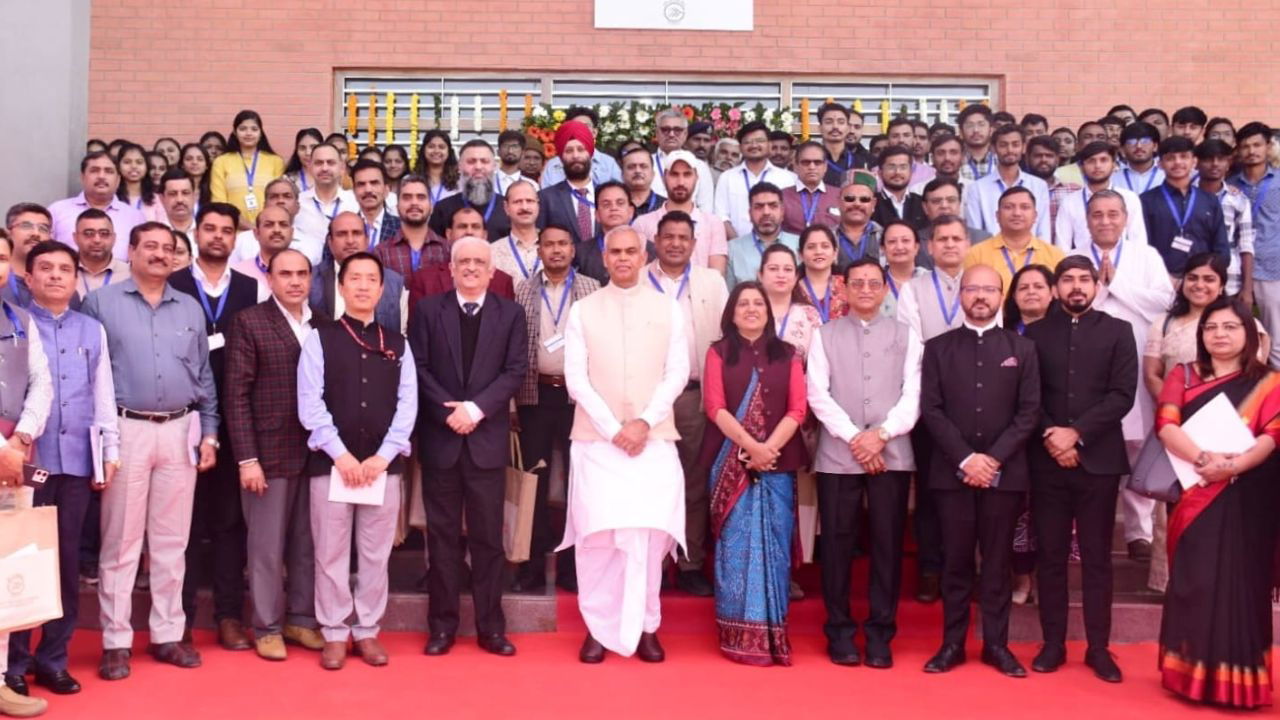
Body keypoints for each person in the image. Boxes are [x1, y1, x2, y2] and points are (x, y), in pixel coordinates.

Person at [82, 223, 219, 680]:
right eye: (151, 247)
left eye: (169, 248)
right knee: (120, 542)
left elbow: (204, 378)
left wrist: (210, 434)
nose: (160, 254)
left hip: (181, 430)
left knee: (171, 542)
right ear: (132, 251)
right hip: (125, 429)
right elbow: (88, 377)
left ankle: (167, 634)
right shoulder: (101, 304)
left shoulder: (191, 309)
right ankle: (116, 640)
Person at [560, 226, 689, 663]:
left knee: (648, 539)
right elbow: (576, 378)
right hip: (597, 442)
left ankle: (646, 625)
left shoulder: (669, 309)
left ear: (643, 255)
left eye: (631, 251)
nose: (622, 258)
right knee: (597, 537)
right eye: (614, 251)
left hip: (653, 440)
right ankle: (598, 627)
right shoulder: (582, 310)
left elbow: (677, 373)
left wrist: (642, 423)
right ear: (603, 255)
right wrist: (615, 427)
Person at [1155, 297, 1280, 709]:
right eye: (1212, 328)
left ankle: (1241, 681)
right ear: (1201, 334)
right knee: (1198, 581)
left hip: (1249, 496)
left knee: (1244, 583)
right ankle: (1192, 678)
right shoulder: (1183, 375)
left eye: (1230, 327)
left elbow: (1272, 434)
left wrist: (1236, 465)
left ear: (1249, 334)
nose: (1220, 335)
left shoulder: (1269, 382)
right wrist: (1205, 460)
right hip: (1196, 492)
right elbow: (1166, 424)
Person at [297, 251, 417, 670]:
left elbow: (408, 406)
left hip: (382, 470)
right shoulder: (320, 338)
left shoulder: (398, 344)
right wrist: (343, 456)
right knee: (330, 553)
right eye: (355, 279)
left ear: (382, 290)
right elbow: (310, 405)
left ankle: (367, 630)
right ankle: (333, 630)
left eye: (372, 279)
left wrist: (382, 458)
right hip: (332, 466)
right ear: (341, 287)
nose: (364, 286)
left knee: (375, 554)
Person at [919, 264, 1040, 678]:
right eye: (973, 289)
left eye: (989, 289)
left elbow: (1029, 413)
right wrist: (967, 459)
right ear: (961, 295)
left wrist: (993, 460)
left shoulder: (1021, 349)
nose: (981, 296)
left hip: (1004, 475)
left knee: (996, 562)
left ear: (1001, 294)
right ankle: (952, 643)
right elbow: (931, 410)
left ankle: (997, 645)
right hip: (951, 474)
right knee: (954, 562)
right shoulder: (937, 348)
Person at [1022, 256, 1137, 683]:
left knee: (1096, 559)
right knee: (1049, 556)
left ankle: (1098, 647)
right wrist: (1054, 435)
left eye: (1083, 280)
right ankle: (1052, 644)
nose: (1075, 287)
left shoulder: (1118, 332)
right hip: (1047, 461)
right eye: (1067, 280)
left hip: (1099, 463)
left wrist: (1078, 434)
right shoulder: (1033, 335)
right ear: (1055, 288)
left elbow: (1122, 394)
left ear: (1096, 285)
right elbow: (1028, 396)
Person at [410, 237, 526, 658]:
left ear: (491, 270)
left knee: (488, 541)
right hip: (442, 440)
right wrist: (449, 414)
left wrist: (475, 410)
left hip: (486, 442)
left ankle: (491, 629)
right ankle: (441, 627)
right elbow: (417, 366)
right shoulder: (427, 311)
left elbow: (515, 370)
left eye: (480, 261)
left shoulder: (511, 314)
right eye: (464, 261)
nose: (472, 268)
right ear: (452, 269)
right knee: (441, 540)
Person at [807, 258, 922, 668]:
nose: (867, 289)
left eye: (875, 283)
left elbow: (914, 396)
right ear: (844, 288)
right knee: (836, 545)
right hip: (839, 455)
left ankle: (880, 633)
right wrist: (857, 438)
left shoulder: (907, 336)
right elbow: (818, 394)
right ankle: (838, 631)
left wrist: (882, 436)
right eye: (858, 283)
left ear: (886, 288)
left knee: (887, 544)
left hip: (891, 453)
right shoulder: (825, 335)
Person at [166, 203, 266, 650]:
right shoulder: (173, 284)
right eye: (210, 229)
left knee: (229, 522)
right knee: (182, 525)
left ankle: (228, 616)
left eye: (227, 230)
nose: (218, 237)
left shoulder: (252, 287)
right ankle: (179, 617)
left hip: (234, 420)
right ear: (196, 233)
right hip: (181, 419)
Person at [223, 248, 324, 661]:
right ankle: (266, 624)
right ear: (270, 278)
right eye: (286, 274)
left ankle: (300, 618)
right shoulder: (250, 322)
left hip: (316, 452)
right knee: (265, 545)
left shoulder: (324, 324)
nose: (295, 281)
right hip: (267, 453)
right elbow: (236, 395)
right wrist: (247, 458)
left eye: (302, 274)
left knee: (308, 542)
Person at [699, 281, 807, 665]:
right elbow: (714, 406)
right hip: (729, 460)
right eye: (742, 303)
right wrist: (751, 447)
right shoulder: (718, 352)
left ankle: (773, 635)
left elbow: (798, 409)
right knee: (734, 547)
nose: (750, 309)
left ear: (768, 310)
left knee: (772, 549)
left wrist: (768, 449)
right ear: (731, 311)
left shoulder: (789, 354)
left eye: (757, 303)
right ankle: (735, 635)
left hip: (777, 464)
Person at [510, 224, 601, 593]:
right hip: (535, 397)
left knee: (580, 482)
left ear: (573, 250)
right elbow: (513, 349)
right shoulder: (523, 291)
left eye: (563, 243)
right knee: (534, 483)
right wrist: (513, 403)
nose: (556, 250)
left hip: (579, 400)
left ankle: (573, 569)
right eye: (548, 244)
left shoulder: (592, 289)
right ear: (540, 251)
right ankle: (530, 567)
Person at [647, 211, 729, 597]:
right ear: (656, 240)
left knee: (694, 485)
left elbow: (727, 340)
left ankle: (691, 561)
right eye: (669, 236)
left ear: (695, 245)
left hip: (696, 398)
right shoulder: (638, 280)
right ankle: (655, 563)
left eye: (684, 237)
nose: (676, 243)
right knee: (652, 484)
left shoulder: (711, 281)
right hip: (648, 403)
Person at [893, 214, 973, 603]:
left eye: (957, 238)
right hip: (930, 402)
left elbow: (990, 337)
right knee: (929, 489)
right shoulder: (913, 289)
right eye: (942, 239)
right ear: (929, 246)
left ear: (968, 244)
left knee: (972, 489)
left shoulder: (983, 284)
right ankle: (930, 567)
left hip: (977, 402)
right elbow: (912, 343)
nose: (949, 245)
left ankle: (965, 567)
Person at [0, 239, 55, 711]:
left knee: (6, 565)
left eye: (0, 258)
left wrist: (21, 439)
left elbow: (42, 381)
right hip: (5, 456)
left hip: (13, 462)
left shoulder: (21, 319)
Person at [1141, 136, 1229, 276]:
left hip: (1201, 282)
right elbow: (1142, 246)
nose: (1177, 162)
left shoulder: (1209, 201)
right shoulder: (1146, 201)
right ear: (1160, 164)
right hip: (1161, 281)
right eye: (1170, 158)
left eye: (1184, 157)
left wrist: (1211, 275)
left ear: (1194, 161)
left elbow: (1221, 246)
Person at [1229, 122, 1280, 366]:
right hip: (1237, 270)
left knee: (1276, 336)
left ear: (1268, 146)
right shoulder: (1230, 185)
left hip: (1273, 268)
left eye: (1257, 145)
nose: (1251, 151)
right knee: (1240, 335)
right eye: (1245, 146)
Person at [631, 150, 729, 274]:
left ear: (696, 177)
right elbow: (638, 274)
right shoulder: (642, 224)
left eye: (687, 174)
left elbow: (717, 275)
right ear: (663, 177)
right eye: (674, 174)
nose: (681, 182)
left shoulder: (713, 223)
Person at [310, 212, 407, 334]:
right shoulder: (311, 279)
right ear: (330, 242)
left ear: (367, 240)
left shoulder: (394, 282)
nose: (350, 241)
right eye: (342, 234)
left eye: (356, 233)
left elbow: (402, 335)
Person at [964, 187, 1065, 297]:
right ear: (997, 216)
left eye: (1024, 207)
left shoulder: (1055, 255)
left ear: (1035, 216)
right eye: (1009, 207)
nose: (1017, 213)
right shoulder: (976, 254)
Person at [406, 207, 516, 305]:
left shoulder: (503, 281)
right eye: (462, 226)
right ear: (449, 234)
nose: (469, 231)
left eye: (475, 227)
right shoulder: (424, 280)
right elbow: (417, 327)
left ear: (485, 235)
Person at [1052, 142, 1147, 251]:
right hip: (1082, 265)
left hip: (1123, 265)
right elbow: (1062, 245)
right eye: (1091, 161)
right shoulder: (1070, 201)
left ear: (1114, 165)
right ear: (1081, 167)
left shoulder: (1129, 198)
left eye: (1103, 160)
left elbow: (1138, 241)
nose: (1097, 166)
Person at [49, 152, 145, 259]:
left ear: (118, 180)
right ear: (82, 177)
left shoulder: (135, 217)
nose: (101, 176)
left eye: (109, 171)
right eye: (94, 170)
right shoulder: (57, 211)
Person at [964, 125, 1051, 239]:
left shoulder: (1038, 185)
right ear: (993, 148)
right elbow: (975, 233)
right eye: (1003, 145)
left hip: (1031, 253)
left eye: (1015, 145)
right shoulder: (977, 188)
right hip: (989, 254)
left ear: (1024, 147)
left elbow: (1043, 231)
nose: (1010, 150)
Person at [715, 121, 797, 239]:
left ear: (769, 145)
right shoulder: (727, 178)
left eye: (759, 141)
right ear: (741, 147)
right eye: (747, 142)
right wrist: (739, 245)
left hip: (778, 250)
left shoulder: (788, 178)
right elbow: (721, 216)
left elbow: (791, 217)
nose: (754, 145)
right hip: (737, 250)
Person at [1196, 139, 1254, 301]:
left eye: (1221, 159)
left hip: (1230, 280)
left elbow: (1246, 244)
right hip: (1192, 280)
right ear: (1196, 163)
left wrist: (1247, 289)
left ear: (1228, 163)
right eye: (1208, 159)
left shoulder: (1239, 200)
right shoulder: (1186, 196)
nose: (1215, 164)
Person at [538, 123, 609, 248]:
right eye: (569, 151)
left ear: (590, 154)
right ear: (561, 157)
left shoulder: (607, 194)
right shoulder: (546, 198)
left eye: (581, 149)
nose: (575, 156)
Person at [209, 110, 285, 227]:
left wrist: (264, 224)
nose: (248, 133)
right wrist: (243, 224)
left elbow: (279, 198)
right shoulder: (221, 162)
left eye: (254, 129)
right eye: (243, 129)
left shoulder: (275, 161)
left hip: (268, 229)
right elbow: (219, 202)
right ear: (235, 132)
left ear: (260, 133)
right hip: (233, 230)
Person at [429, 140, 510, 241]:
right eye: (471, 162)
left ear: (495, 166)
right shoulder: (443, 209)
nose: (478, 167)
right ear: (459, 167)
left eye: (484, 161)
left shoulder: (508, 208)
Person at [725, 183, 799, 289]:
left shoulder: (799, 245)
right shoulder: (733, 249)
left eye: (773, 206)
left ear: (782, 212)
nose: (766, 212)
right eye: (759, 207)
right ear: (750, 214)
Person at [374, 175, 444, 279]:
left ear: (431, 206)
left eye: (421, 197)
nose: (414, 203)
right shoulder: (381, 253)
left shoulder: (447, 250)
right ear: (397, 207)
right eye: (407, 198)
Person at [760, 244, 822, 354]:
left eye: (788, 269)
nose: (781, 275)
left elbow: (818, 361)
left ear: (796, 277)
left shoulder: (809, 314)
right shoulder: (748, 311)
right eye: (773, 269)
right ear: (760, 275)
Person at [651, 108, 716, 211]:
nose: (671, 134)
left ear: (685, 134)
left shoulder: (699, 166)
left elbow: (705, 207)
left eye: (677, 130)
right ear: (657, 133)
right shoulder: (645, 163)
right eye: (665, 129)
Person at [538, 108, 622, 186]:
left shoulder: (609, 163)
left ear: (594, 132)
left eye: (585, 126)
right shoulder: (553, 165)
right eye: (576, 126)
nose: (581, 130)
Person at [295, 143, 359, 245]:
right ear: (310, 167)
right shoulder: (297, 203)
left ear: (342, 167)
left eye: (330, 163)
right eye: (319, 163)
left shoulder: (355, 202)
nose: (324, 168)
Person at [917, 178, 990, 255]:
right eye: (936, 201)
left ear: (959, 204)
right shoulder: (915, 240)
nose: (944, 206)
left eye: (951, 200)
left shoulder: (983, 239)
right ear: (925, 207)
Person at [70, 209, 130, 302]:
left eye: (104, 234)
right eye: (89, 233)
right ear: (75, 238)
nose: (97, 240)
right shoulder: (63, 271)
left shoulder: (130, 274)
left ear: (113, 238)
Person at [782, 141, 840, 234]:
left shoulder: (839, 195)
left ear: (825, 167)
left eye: (817, 162)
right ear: (795, 166)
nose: (812, 167)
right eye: (806, 162)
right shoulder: (782, 197)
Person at [831, 170, 884, 270]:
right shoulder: (827, 237)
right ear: (839, 202)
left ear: (873, 204)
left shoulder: (885, 237)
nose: (857, 204)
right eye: (850, 198)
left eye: (864, 199)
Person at [490, 180, 541, 282]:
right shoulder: (492, 252)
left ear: (538, 205)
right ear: (506, 207)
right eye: (517, 202)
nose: (524, 207)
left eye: (530, 201)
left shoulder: (553, 247)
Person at [232, 205, 294, 287]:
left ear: (292, 233)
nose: (277, 230)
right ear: (256, 233)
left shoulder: (304, 270)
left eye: (283, 225)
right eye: (269, 225)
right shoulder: (238, 273)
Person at [797, 225, 849, 324]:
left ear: (835, 253)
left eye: (825, 246)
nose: (818, 252)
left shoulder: (848, 285)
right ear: (800, 255)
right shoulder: (792, 290)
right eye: (811, 247)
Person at [872, 145, 927, 229]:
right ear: (880, 173)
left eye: (903, 167)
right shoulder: (871, 203)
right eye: (891, 167)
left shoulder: (922, 203)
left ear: (911, 173)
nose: (897, 172)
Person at [880, 221, 928, 317]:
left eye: (905, 240)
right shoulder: (875, 284)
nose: (899, 247)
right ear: (883, 249)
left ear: (916, 247)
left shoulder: (931, 280)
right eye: (892, 242)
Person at [817, 103, 871, 188]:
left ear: (847, 128)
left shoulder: (861, 163)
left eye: (841, 122)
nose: (835, 126)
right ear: (820, 128)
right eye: (829, 122)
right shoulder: (812, 161)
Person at [351, 160, 400, 250]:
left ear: (386, 189)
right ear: (354, 191)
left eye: (374, 183)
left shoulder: (401, 228)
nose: (368, 190)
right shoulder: (343, 227)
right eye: (361, 184)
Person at [116, 143, 166, 223]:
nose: (133, 166)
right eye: (127, 162)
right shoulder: (112, 198)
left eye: (139, 162)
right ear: (118, 166)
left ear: (147, 167)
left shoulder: (157, 199)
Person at [1114, 122, 1165, 195]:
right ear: (1122, 149)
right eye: (1132, 142)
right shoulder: (1114, 179)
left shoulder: (1165, 175)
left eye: (1145, 141)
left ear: (1155, 146)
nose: (1139, 146)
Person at [417, 130, 460, 204]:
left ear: (449, 151)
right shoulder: (411, 179)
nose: (436, 151)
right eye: (431, 146)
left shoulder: (459, 181)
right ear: (423, 150)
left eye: (441, 147)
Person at [957, 104, 996, 183]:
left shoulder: (1000, 161)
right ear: (960, 132)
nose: (976, 130)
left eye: (981, 124)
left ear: (991, 130)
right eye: (970, 125)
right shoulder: (955, 162)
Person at [620, 146, 664, 215]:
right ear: (622, 175)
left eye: (643, 166)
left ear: (653, 174)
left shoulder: (666, 206)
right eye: (631, 167)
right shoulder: (615, 207)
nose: (638, 171)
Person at [495, 130, 538, 195]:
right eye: (505, 146)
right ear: (498, 152)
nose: (510, 151)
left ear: (523, 152)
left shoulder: (532, 185)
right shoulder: (487, 182)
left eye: (515, 147)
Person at [284, 128, 323, 194]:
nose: (308, 153)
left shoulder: (331, 176)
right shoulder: (288, 180)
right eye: (302, 148)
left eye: (313, 147)